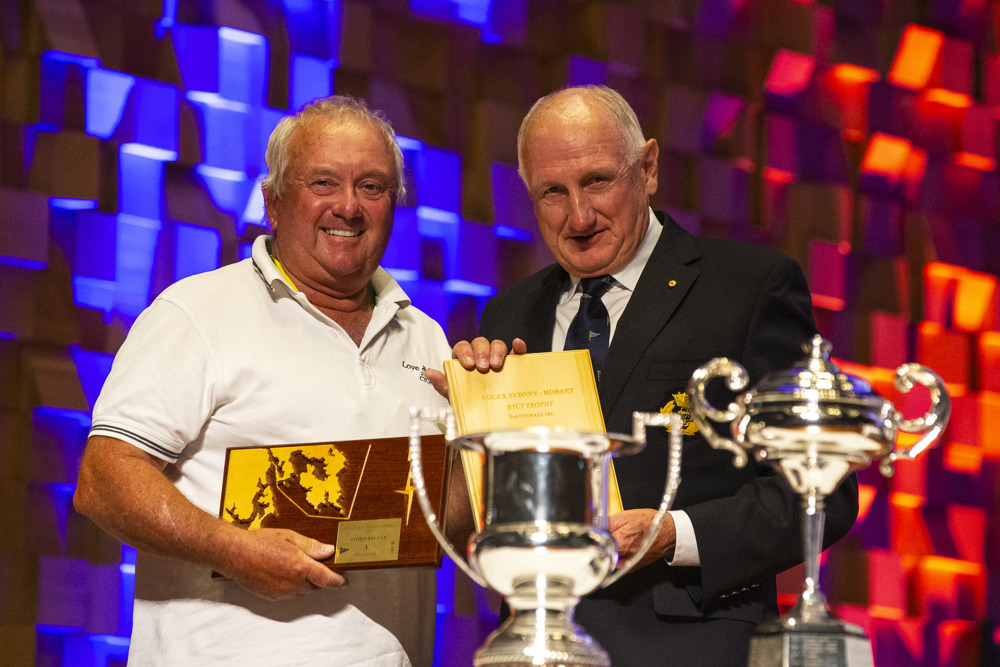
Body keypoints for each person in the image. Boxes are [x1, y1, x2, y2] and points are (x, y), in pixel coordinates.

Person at [438, 85, 860, 664]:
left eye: (597, 181)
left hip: (694, 646)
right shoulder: (508, 316)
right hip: (537, 647)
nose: (579, 216)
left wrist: (671, 534)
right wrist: (470, 417)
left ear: (649, 168)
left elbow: (821, 492)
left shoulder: (749, 287)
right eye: (553, 193)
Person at [74, 95, 459, 666]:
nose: (349, 207)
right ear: (273, 201)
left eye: (372, 186)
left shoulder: (426, 337)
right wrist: (235, 550)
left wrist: (495, 421)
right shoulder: (197, 311)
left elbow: (443, 524)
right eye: (323, 182)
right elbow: (103, 480)